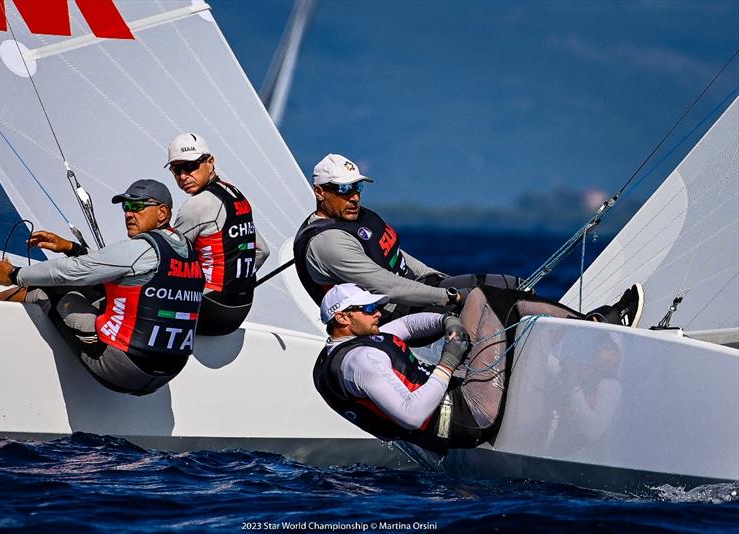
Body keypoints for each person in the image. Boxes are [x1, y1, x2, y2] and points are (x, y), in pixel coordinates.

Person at [313, 281, 643, 453]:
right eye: (369, 308)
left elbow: (408, 327)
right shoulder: (361, 362)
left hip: (454, 403)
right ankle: (603, 327)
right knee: (498, 301)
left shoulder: (343, 349)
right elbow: (411, 415)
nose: (378, 313)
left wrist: (447, 322)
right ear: (343, 317)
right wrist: (448, 361)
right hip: (469, 415)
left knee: (473, 301)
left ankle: (584, 339)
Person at [0, 179, 205, 396]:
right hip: (168, 371)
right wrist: (70, 248)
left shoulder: (141, 248)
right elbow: (109, 267)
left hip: (122, 368)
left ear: (162, 213)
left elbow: (71, 272)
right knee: (100, 291)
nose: (128, 213)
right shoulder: (188, 252)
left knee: (54, 290)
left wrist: (14, 274)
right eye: (126, 207)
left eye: (137, 206)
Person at [293, 153, 524, 325]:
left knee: (509, 286)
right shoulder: (327, 243)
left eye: (358, 187)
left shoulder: (356, 217)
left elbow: (395, 254)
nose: (354, 197)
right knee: (490, 305)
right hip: (391, 317)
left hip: (416, 295)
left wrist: (433, 275)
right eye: (343, 189)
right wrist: (449, 296)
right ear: (320, 192)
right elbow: (387, 285)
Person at [165, 132, 269, 336]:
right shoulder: (235, 194)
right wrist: (236, 282)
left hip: (211, 311)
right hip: (241, 307)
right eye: (176, 170)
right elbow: (262, 251)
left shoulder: (197, 205)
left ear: (210, 162)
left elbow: (166, 262)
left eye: (190, 166)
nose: (183, 176)